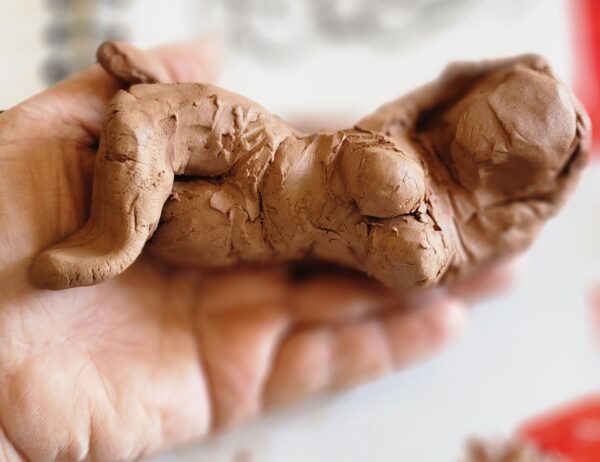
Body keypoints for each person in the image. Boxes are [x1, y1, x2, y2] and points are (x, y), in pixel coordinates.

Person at [0, 39, 519, 461]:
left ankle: (121, 230)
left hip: (244, 238)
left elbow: (432, 251)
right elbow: (406, 116)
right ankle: (114, 236)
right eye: (493, 120)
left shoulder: (443, 235)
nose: (490, 141)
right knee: (147, 119)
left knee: (156, 141)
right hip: (263, 149)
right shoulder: (401, 137)